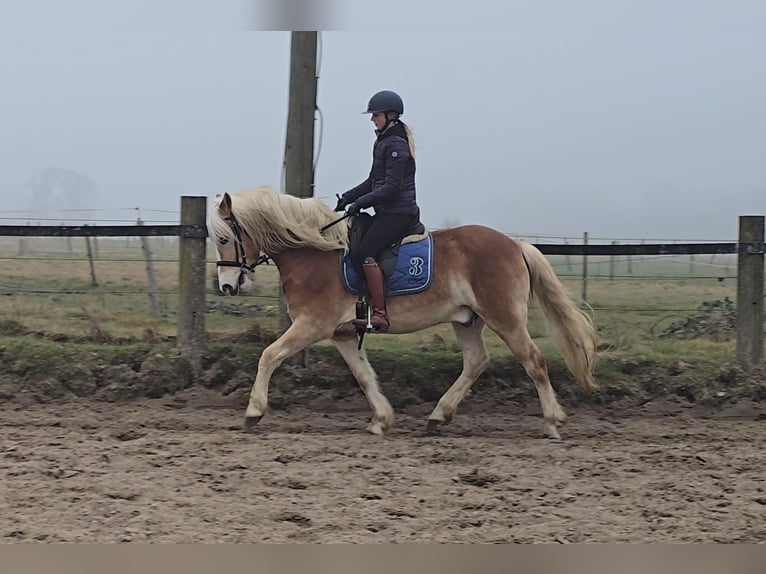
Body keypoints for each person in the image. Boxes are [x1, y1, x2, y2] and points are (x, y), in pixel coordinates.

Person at [335, 89, 421, 332]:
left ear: (390, 116)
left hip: (399, 213)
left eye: (376, 115)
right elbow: (373, 181)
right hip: (387, 212)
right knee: (356, 240)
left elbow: (391, 188)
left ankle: (381, 314)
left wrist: (362, 203)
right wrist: (348, 198)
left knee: (365, 250)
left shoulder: (395, 145)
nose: (372, 119)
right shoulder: (383, 142)